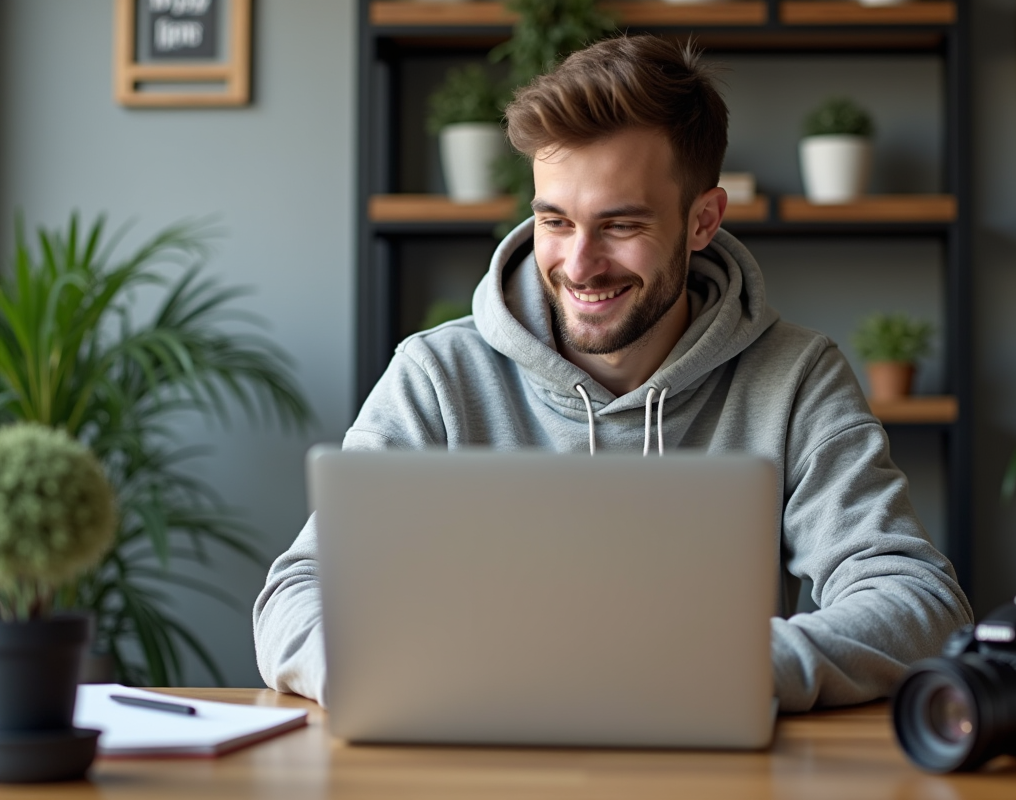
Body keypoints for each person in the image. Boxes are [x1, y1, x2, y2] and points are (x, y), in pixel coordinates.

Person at [253, 34, 972, 711]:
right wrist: (418, 678)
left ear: (703, 221)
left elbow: (918, 599)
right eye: (555, 221)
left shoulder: (795, 378)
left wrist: (715, 672)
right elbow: (299, 591)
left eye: (621, 225)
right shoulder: (438, 376)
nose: (579, 263)